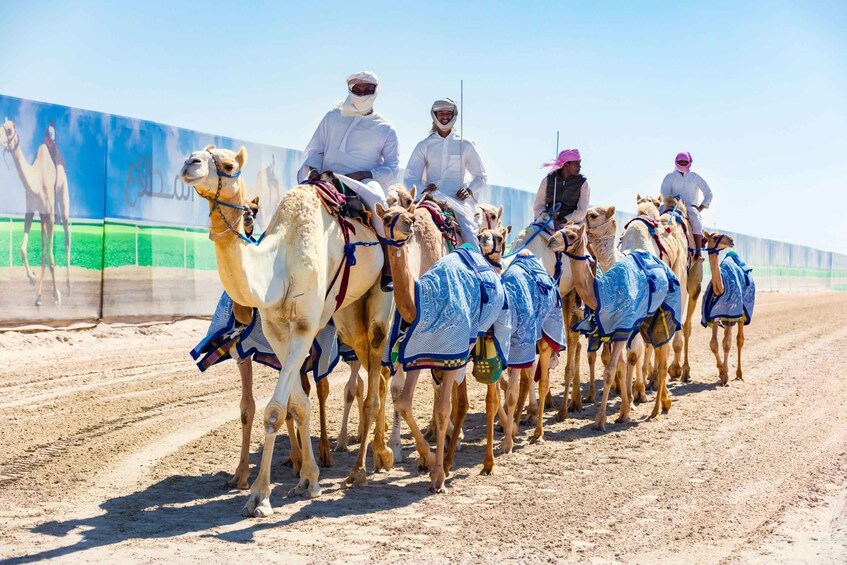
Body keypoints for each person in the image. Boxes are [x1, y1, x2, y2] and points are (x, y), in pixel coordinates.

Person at [297, 70, 400, 291]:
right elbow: (315, 149)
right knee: (293, 199)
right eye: (357, 89)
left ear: (375, 91)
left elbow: (391, 169)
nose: (362, 94)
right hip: (326, 177)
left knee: (377, 200)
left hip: (364, 181)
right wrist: (313, 169)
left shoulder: (386, 127)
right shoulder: (332, 117)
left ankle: (388, 264)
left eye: (367, 89)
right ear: (350, 90)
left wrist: (365, 174)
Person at [404, 98, 488, 248]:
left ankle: (477, 268)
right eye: (440, 113)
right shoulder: (424, 145)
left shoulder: (465, 144)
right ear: (434, 115)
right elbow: (410, 177)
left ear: (454, 114)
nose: (444, 116)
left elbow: (481, 175)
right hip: (431, 198)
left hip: (458, 202)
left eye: (448, 113)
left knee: (470, 236)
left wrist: (469, 191)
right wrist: (424, 189)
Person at [660, 151, 712, 260]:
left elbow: (709, 194)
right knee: (657, 217)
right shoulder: (670, 177)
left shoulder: (695, 177)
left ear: (689, 162)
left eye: (685, 162)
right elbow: (664, 193)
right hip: (673, 206)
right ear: (676, 162)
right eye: (681, 162)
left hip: (690, 207)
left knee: (697, 223)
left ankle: (698, 253)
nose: (683, 164)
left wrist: (701, 207)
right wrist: (672, 201)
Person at [532, 148, 590, 229]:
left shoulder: (583, 183)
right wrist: (548, 219)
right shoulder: (548, 180)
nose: (580, 166)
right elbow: (538, 206)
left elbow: (581, 212)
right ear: (566, 164)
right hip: (547, 223)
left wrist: (562, 221)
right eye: (577, 163)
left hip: (571, 226)